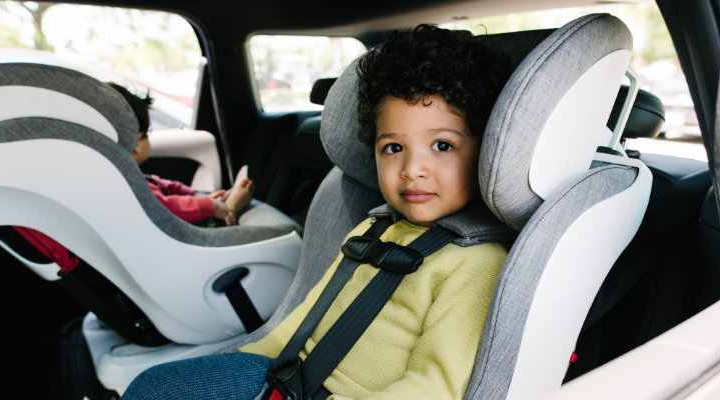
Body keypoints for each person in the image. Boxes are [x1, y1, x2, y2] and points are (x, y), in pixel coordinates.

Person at [121, 24, 510, 400]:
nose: (412, 169)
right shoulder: (374, 229)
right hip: (288, 380)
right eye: (393, 148)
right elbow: (308, 314)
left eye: (442, 146)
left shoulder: (477, 263)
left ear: (484, 152)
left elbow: (434, 387)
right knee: (155, 387)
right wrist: (245, 364)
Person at [109, 83, 254, 226]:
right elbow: (164, 207)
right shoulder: (130, 188)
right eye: (147, 134)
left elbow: (158, 183)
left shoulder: (121, 176)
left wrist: (197, 196)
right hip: (177, 235)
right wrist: (212, 206)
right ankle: (229, 210)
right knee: (224, 210)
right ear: (137, 145)